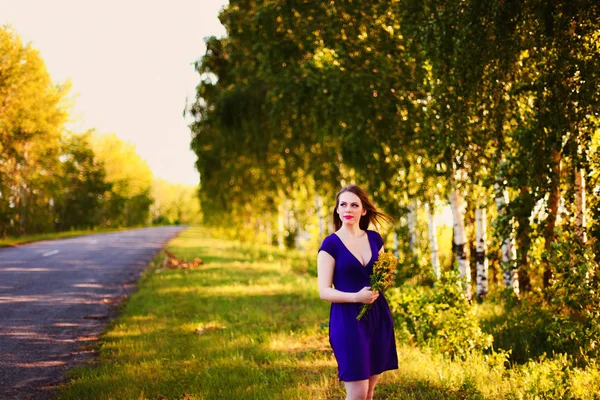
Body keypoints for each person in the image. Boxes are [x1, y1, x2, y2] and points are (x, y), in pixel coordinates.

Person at [317, 185, 398, 400]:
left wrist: (385, 279)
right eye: (343, 204)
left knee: (369, 393)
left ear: (363, 211)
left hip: (378, 317)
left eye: (354, 205)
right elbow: (324, 291)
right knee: (358, 394)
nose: (348, 209)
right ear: (337, 210)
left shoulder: (374, 239)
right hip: (348, 321)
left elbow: (381, 277)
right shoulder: (330, 245)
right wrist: (356, 297)